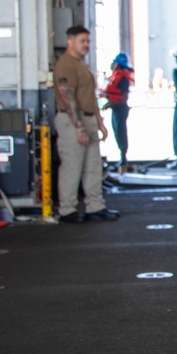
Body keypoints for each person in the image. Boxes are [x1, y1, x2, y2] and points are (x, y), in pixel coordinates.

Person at [52, 25, 119, 223]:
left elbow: (88, 96)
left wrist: (99, 122)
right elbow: (68, 98)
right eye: (82, 41)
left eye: (88, 41)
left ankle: (95, 206)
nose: (86, 45)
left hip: (87, 118)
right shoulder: (66, 65)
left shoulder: (82, 65)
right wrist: (79, 127)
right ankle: (67, 209)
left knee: (93, 165)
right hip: (72, 120)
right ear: (70, 41)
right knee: (73, 165)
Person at [101, 52, 134, 172]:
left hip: (120, 109)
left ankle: (123, 159)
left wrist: (111, 104)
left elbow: (124, 98)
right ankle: (122, 159)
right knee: (117, 131)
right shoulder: (115, 77)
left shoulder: (123, 79)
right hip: (116, 108)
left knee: (121, 132)